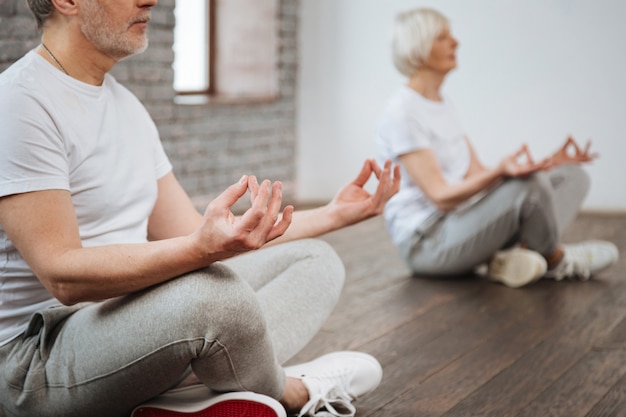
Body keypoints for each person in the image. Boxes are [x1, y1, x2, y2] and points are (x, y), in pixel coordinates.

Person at [0, 0, 401, 416]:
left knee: (314, 260)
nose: (151, 1)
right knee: (212, 295)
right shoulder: (21, 103)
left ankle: (185, 391)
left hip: (132, 322)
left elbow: (186, 230)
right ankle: (288, 390)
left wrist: (336, 214)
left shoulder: (126, 107)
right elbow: (63, 275)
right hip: (38, 361)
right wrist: (201, 249)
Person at [375, 7, 618, 289]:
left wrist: (545, 164)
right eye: (443, 37)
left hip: (460, 224)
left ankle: (514, 258)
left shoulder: (444, 106)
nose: (456, 42)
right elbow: (441, 196)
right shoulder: (403, 112)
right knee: (531, 188)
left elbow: (479, 175)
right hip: (428, 243)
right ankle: (554, 260)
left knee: (571, 177)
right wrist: (506, 174)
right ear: (417, 47)